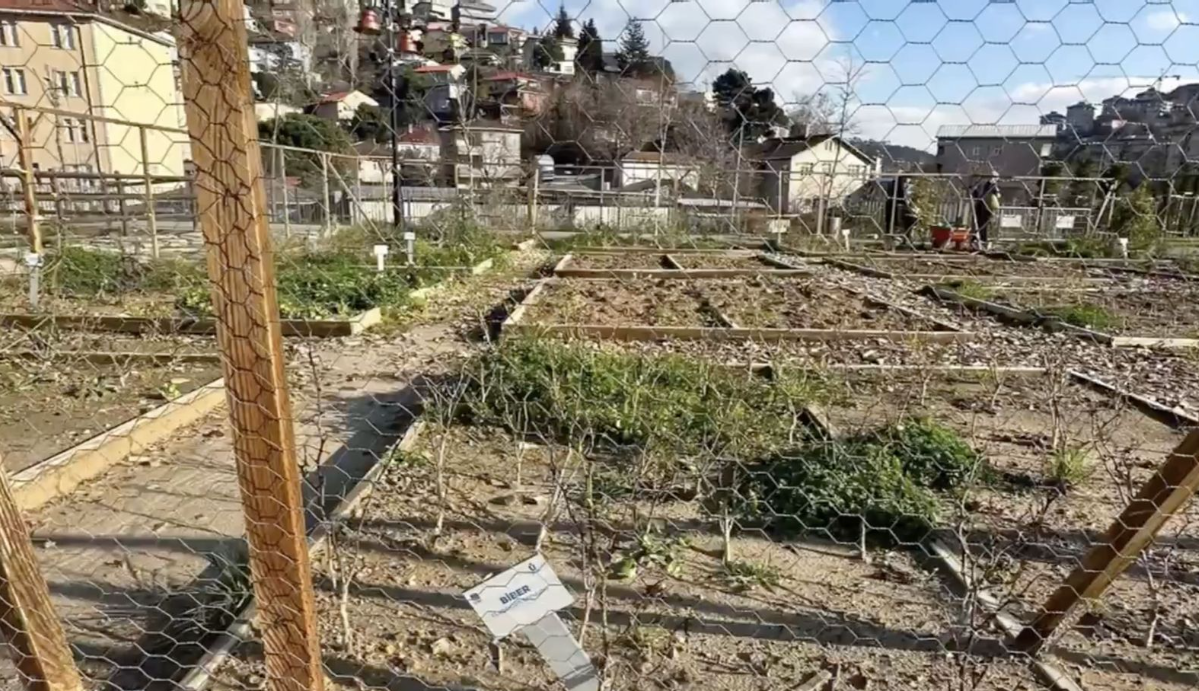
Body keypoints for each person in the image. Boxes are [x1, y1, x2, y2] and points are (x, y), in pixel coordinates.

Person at [972, 177, 1001, 250]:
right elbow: (997, 195)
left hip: (983, 205)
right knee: (982, 224)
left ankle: (981, 240)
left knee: (982, 224)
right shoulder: (989, 185)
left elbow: (976, 194)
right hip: (984, 205)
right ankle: (981, 240)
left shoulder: (988, 185)